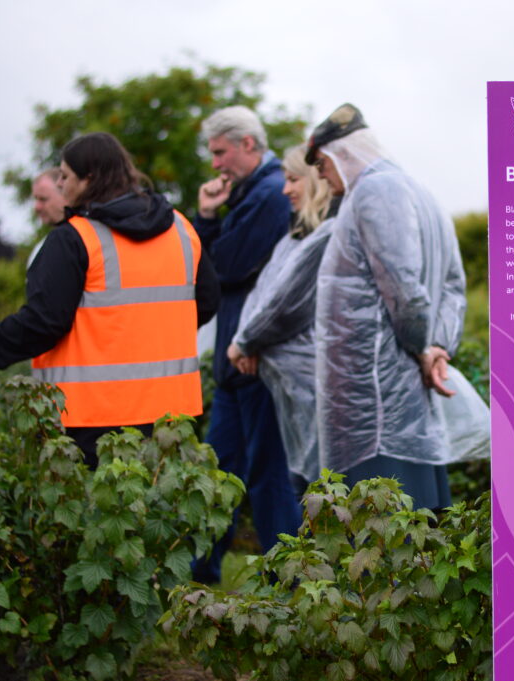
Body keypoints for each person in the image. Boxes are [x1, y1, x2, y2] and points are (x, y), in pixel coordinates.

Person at [0, 132, 219, 466]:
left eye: (65, 176)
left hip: (92, 421)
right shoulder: (181, 229)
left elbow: (41, 323)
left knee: (98, 517)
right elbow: (207, 302)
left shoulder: (74, 239)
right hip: (172, 418)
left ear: (89, 179)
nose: (62, 185)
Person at [307, 103, 468, 510]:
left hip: (375, 399)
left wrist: (424, 347)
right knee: (421, 523)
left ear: (341, 154)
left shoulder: (375, 191)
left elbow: (403, 285)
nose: (321, 176)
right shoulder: (421, 191)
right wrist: (439, 347)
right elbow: (453, 286)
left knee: (382, 525)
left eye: (322, 163)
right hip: (409, 390)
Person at [190, 106, 301, 582]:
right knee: (219, 470)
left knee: (266, 472)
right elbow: (213, 266)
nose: (215, 165)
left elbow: (221, 268)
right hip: (234, 360)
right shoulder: (250, 195)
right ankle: (201, 573)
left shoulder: (272, 195)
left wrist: (210, 222)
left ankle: (293, 580)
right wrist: (209, 216)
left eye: (221, 152)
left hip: (260, 359)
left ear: (248, 145)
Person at [228, 144, 340, 489]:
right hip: (286, 378)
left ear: (315, 180)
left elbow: (286, 304)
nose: (285, 189)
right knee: (306, 480)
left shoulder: (329, 233)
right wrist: (246, 341)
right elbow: (264, 292)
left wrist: (246, 342)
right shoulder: (295, 236)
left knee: (324, 483)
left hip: (316, 380)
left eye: (293, 180)